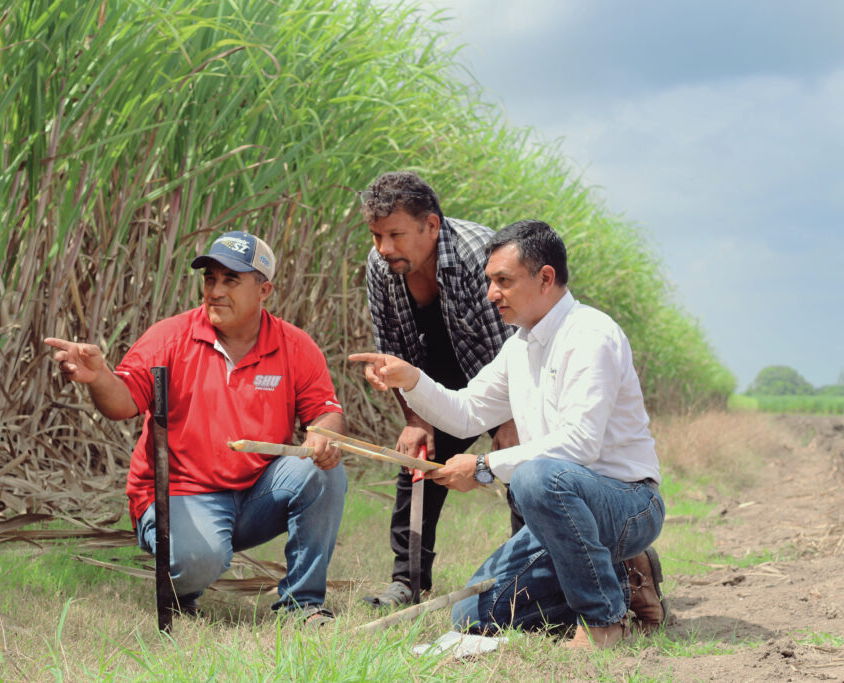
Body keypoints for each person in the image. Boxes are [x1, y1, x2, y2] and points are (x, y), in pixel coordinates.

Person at [350, 219, 668, 648]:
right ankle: (624, 579)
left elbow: (580, 443)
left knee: (535, 478)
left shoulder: (591, 336)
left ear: (546, 278)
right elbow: (466, 412)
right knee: (473, 614)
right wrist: (411, 380)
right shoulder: (519, 345)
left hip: (627, 503)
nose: (490, 293)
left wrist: (483, 467)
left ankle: (603, 621)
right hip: (562, 511)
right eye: (489, 281)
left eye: (503, 281)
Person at [46, 231, 348, 626]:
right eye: (210, 279)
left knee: (323, 470)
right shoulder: (170, 337)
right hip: (181, 494)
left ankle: (303, 605)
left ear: (264, 290)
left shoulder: (295, 345)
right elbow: (123, 403)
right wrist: (99, 376)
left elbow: (326, 409)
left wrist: (323, 433)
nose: (215, 291)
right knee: (200, 560)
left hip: (256, 492)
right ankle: (183, 588)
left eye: (230, 280)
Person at [357, 171, 520, 608]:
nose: (384, 248)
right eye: (376, 236)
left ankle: (528, 581)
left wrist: (511, 421)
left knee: (521, 468)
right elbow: (389, 348)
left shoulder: (476, 255)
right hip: (434, 380)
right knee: (418, 464)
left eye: (395, 235)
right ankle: (407, 582)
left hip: (504, 378)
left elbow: (513, 346)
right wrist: (416, 419)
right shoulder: (381, 265)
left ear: (431, 226)